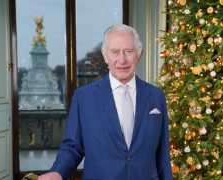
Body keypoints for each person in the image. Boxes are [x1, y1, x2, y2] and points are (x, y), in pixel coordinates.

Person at [39, 24, 172, 180]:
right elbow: (73, 147)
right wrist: (58, 171)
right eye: (115, 52)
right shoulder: (84, 97)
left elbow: (162, 154)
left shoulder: (156, 96)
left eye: (128, 51)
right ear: (105, 55)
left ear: (139, 54)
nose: (122, 60)